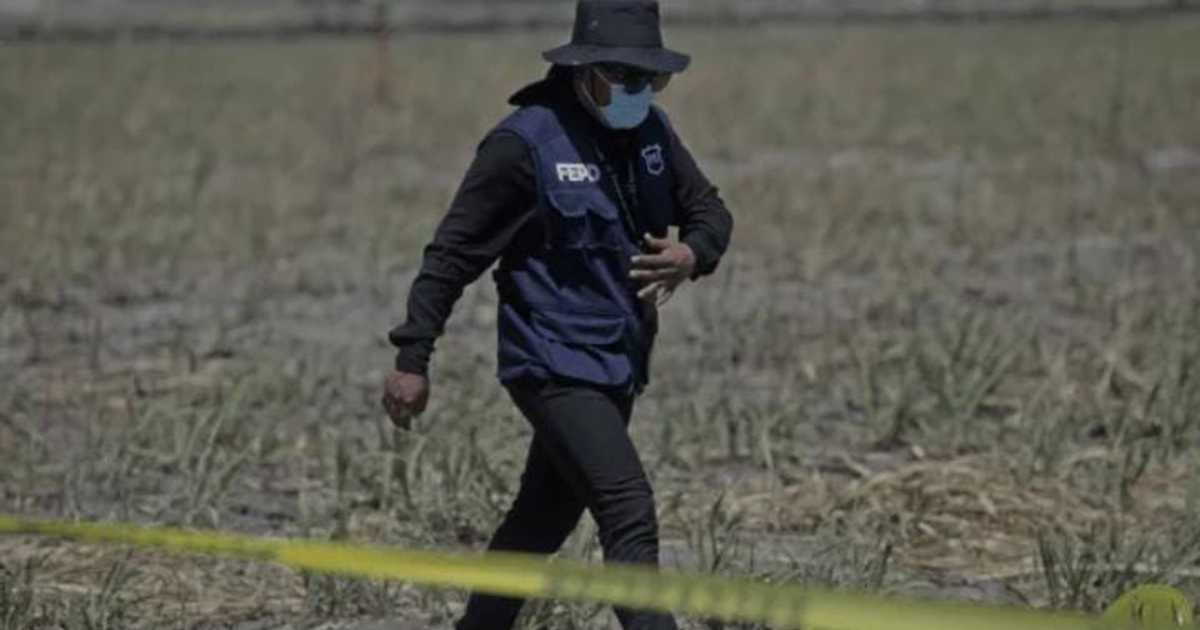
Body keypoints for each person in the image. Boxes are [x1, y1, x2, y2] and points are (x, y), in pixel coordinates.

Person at [381, 1, 733, 627]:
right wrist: (414, 357)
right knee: (628, 507)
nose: (640, 92)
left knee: (541, 518)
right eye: (627, 78)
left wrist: (691, 253)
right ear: (586, 70)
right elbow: (451, 255)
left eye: (653, 80)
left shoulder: (653, 133)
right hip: (550, 361)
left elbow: (710, 211)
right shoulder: (524, 144)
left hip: (618, 359)